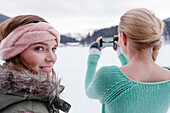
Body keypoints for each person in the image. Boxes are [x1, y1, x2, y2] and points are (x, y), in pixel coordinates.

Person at [85, 8, 170, 113]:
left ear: (123, 38)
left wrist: (93, 55)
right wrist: (122, 53)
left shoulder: (108, 77)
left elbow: (89, 90)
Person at [0, 15, 71, 113]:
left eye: (53, 49)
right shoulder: (29, 109)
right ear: (13, 53)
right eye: (39, 48)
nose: (52, 58)